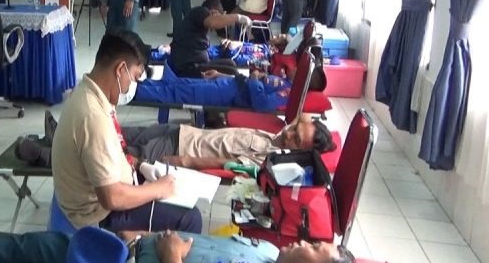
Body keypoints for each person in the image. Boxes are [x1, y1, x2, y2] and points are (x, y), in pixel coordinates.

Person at [0, 187, 357, 263]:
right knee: (39, 247)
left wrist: (169, 256)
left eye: (315, 248)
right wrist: (148, 237)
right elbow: (202, 245)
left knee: (37, 251)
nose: (304, 241)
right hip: (131, 250)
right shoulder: (269, 251)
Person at [52, 30, 202, 233]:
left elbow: (114, 151)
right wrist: (157, 190)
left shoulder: (90, 93)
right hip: (98, 215)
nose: (130, 87)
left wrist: (139, 166)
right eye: (135, 78)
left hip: (106, 193)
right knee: (190, 218)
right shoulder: (92, 116)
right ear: (120, 69)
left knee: (169, 185)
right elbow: (111, 198)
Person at [18, 114, 335, 171]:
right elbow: (303, 117)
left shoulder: (269, 158)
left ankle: (47, 156)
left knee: (115, 154)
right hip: (183, 132)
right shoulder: (274, 135)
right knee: (119, 131)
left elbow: (226, 163)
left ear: (299, 152)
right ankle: (62, 135)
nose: (289, 133)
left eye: (296, 139)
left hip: (179, 150)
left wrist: (184, 162)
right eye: (295, 128)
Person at [168, 0, 250, 78]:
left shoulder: (198, 25)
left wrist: (224, 46)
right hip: (188, 68)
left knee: (230, 64)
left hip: (196, 64)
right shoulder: (201, 11)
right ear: (214, 12)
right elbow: (212, 22)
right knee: (232, 71)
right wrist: (238, 17)